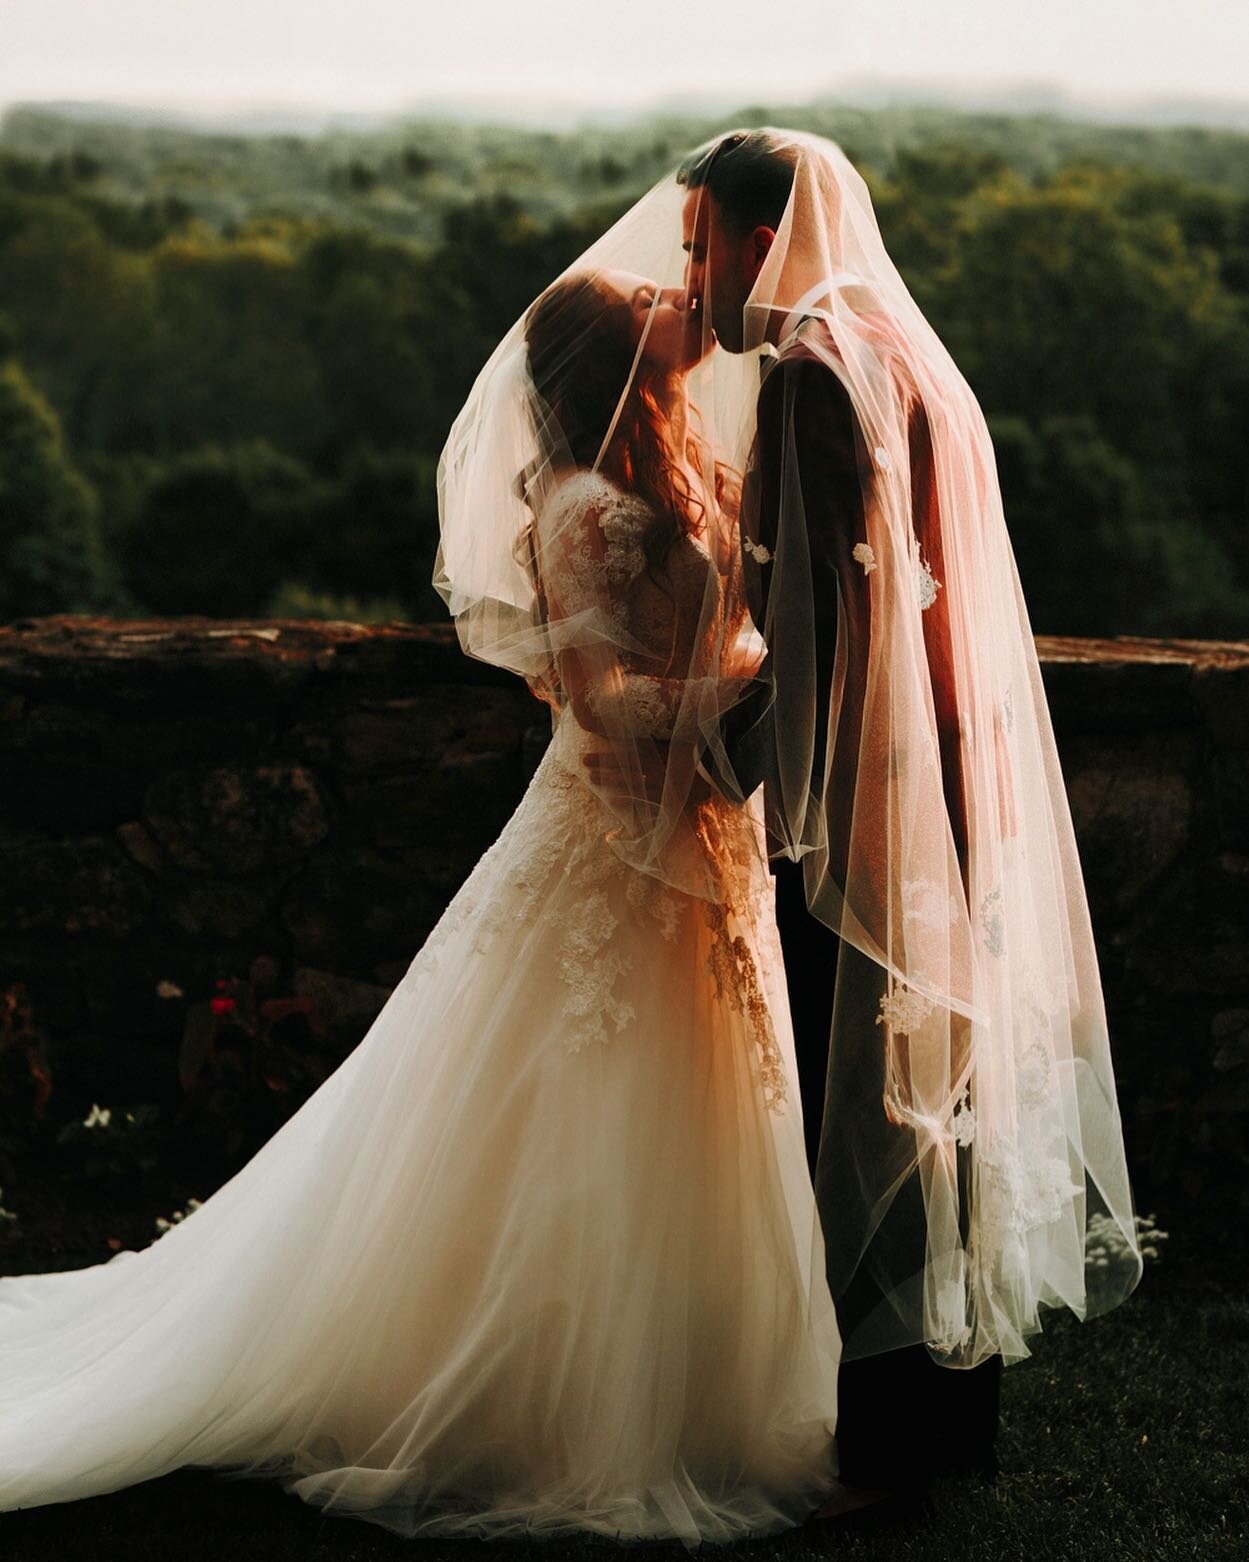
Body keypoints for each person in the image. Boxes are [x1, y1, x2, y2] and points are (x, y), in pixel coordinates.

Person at [0, 252, 844, 1547]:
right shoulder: (577, 508)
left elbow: (714, 620)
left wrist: (763, 661)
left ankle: (701, 1386)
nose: (670, 309)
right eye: (644, 316)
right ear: (598, 372)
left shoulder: (673, 466)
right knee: (581, 1108)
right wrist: (724, 706)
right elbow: (595, 701)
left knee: (703, 1104)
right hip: (608, 841)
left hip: (697, 841)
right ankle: (555, 1402)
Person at [670, 127, 1144, 1505]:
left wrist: (721, 757)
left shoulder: (813, 377)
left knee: (864, 1114)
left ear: (762, 238)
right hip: (949, 784)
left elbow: (819, 642)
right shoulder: (909, 352)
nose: (693, 274)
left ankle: (885, 1441)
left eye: (701, 242)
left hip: (865, 811)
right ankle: (948, 1429)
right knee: (931, 1102)